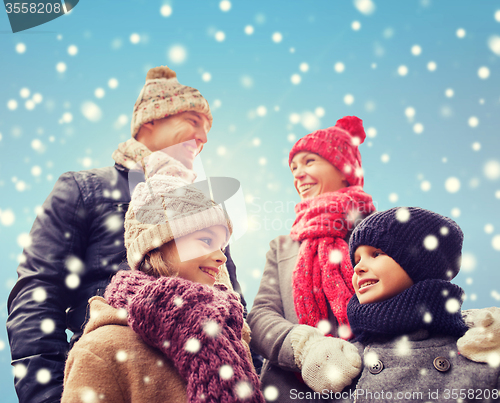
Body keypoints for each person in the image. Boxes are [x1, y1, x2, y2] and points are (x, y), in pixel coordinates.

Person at [7, 65, 244, 403]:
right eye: (193, 122)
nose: (203, 138)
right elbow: (37, 293)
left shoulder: (205, 210)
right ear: (151, 120)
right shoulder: (84, 189)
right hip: (116, 377)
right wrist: (48, 396)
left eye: (207, 130)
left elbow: (233, 301)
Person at [61, 174, 264, 403]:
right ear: (156, 245)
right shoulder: (101, 350)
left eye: (222, 246)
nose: (221, 257)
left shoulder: (230, 335)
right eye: (206, 240)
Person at [247, 116, 377, 402]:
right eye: (294, 168)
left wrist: (350, 355)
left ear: (344, 169)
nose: (298, 174)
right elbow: (260, 316)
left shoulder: (379, 232)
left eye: (309, 162)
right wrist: (307, 349)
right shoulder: (282, 246)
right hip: (288, 389)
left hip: (372, 382)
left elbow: (402, 301)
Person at [344, 207, 500, 402]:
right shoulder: (343, 362)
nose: (358, 268)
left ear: (420, 264)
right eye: (356, 260)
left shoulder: (481, 353)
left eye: (376, 253)